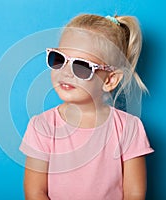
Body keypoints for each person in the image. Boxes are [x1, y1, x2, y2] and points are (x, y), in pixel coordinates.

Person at [19, 13, 154, 200]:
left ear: (110, 80)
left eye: (82, 66)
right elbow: (35, 192)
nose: (65, 73)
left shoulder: (129, 128)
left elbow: (134, 193)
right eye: (59, 59)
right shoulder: (41, 126)